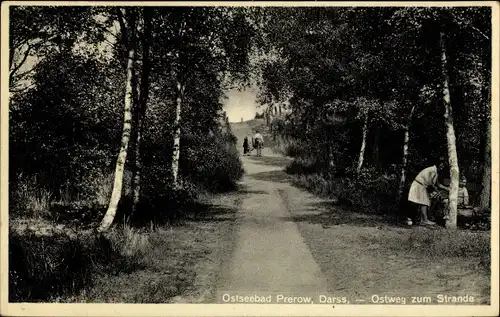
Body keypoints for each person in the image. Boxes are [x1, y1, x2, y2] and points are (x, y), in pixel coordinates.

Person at [407, 161, 449, 226]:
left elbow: (438, 184)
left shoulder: (435, 172)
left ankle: (422, 220)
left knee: (424, 202)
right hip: (419, 185)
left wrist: (447, 188)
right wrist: (436, 190)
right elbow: (431, 184)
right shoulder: (432, 170)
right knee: (424, 202)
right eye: (441, 165)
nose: (442, 167)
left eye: (443, 166)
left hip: (421, 185)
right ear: (437, 165)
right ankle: (424, 220)